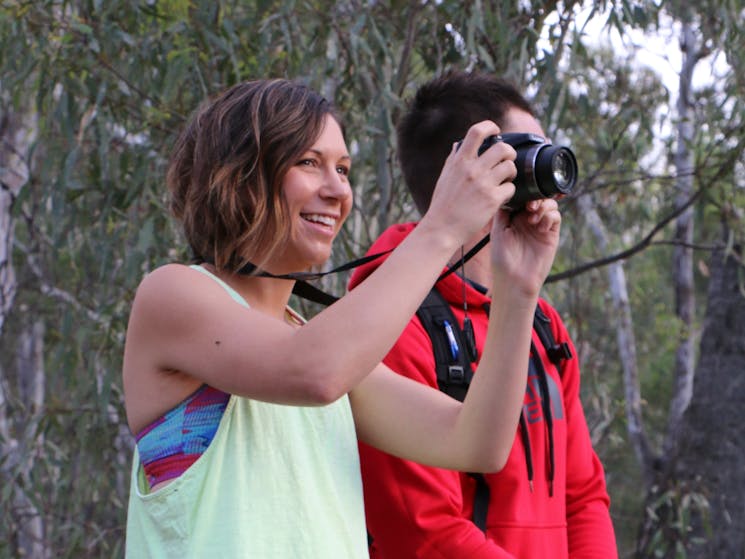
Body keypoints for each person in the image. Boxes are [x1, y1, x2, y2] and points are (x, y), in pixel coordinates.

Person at [121, 78, 562, 558]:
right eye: (309, 163)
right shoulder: (172, 294)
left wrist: (518, 288)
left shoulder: (313, 346)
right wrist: (442, 227)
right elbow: (313, 372)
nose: (337, 191)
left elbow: (476, 442)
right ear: (238, 175)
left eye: (344, 169)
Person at [350, 71, 618, 558]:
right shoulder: (386, 326)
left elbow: (583, 497)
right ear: (468, 169)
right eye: (528, 152)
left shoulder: (541, 323)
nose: (551, 173)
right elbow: (424, 532)